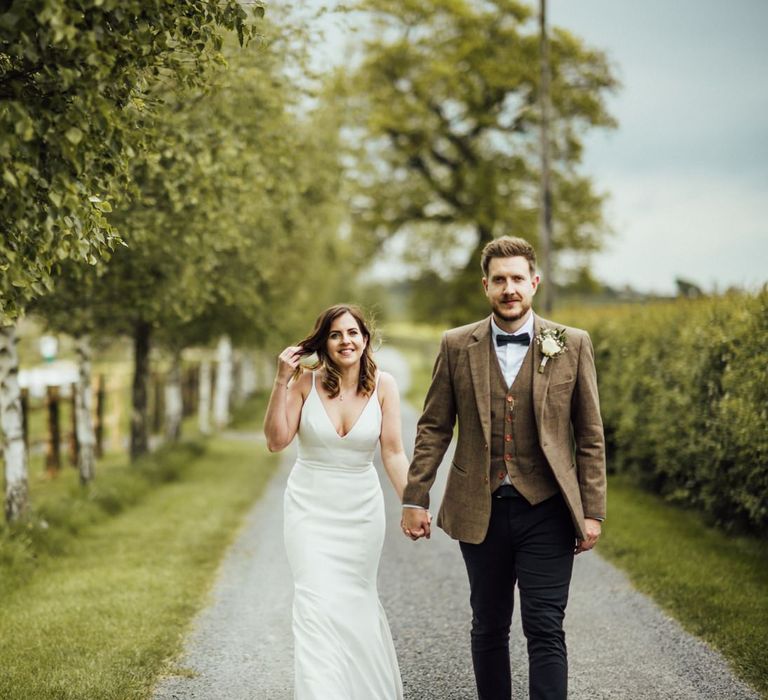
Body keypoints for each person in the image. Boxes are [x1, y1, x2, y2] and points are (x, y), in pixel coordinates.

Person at [401, 236, 606, 700]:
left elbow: (589, 434)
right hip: (481, 509)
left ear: (534, 283)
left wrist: (592, 510)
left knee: (545, 626)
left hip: (548, 509)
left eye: (518, 279)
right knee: (489, 625)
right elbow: (434, 427)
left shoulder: (571, 344)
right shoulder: (456, 345)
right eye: (500, 280)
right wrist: (416, 496)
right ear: (486, 287)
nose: (509, 288)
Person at [264, 304, 412, 700]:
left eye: (352, 333)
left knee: (355, 603)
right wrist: (281, 381)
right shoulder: (303, 383)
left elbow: (394, 453)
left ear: (365, 339)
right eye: (335, 334)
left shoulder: (384, 385)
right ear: (324, 343)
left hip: (361, 513)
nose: (345, 341)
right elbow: (276, 440)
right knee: (314, 603)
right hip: (309, 511)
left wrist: (412, 504)